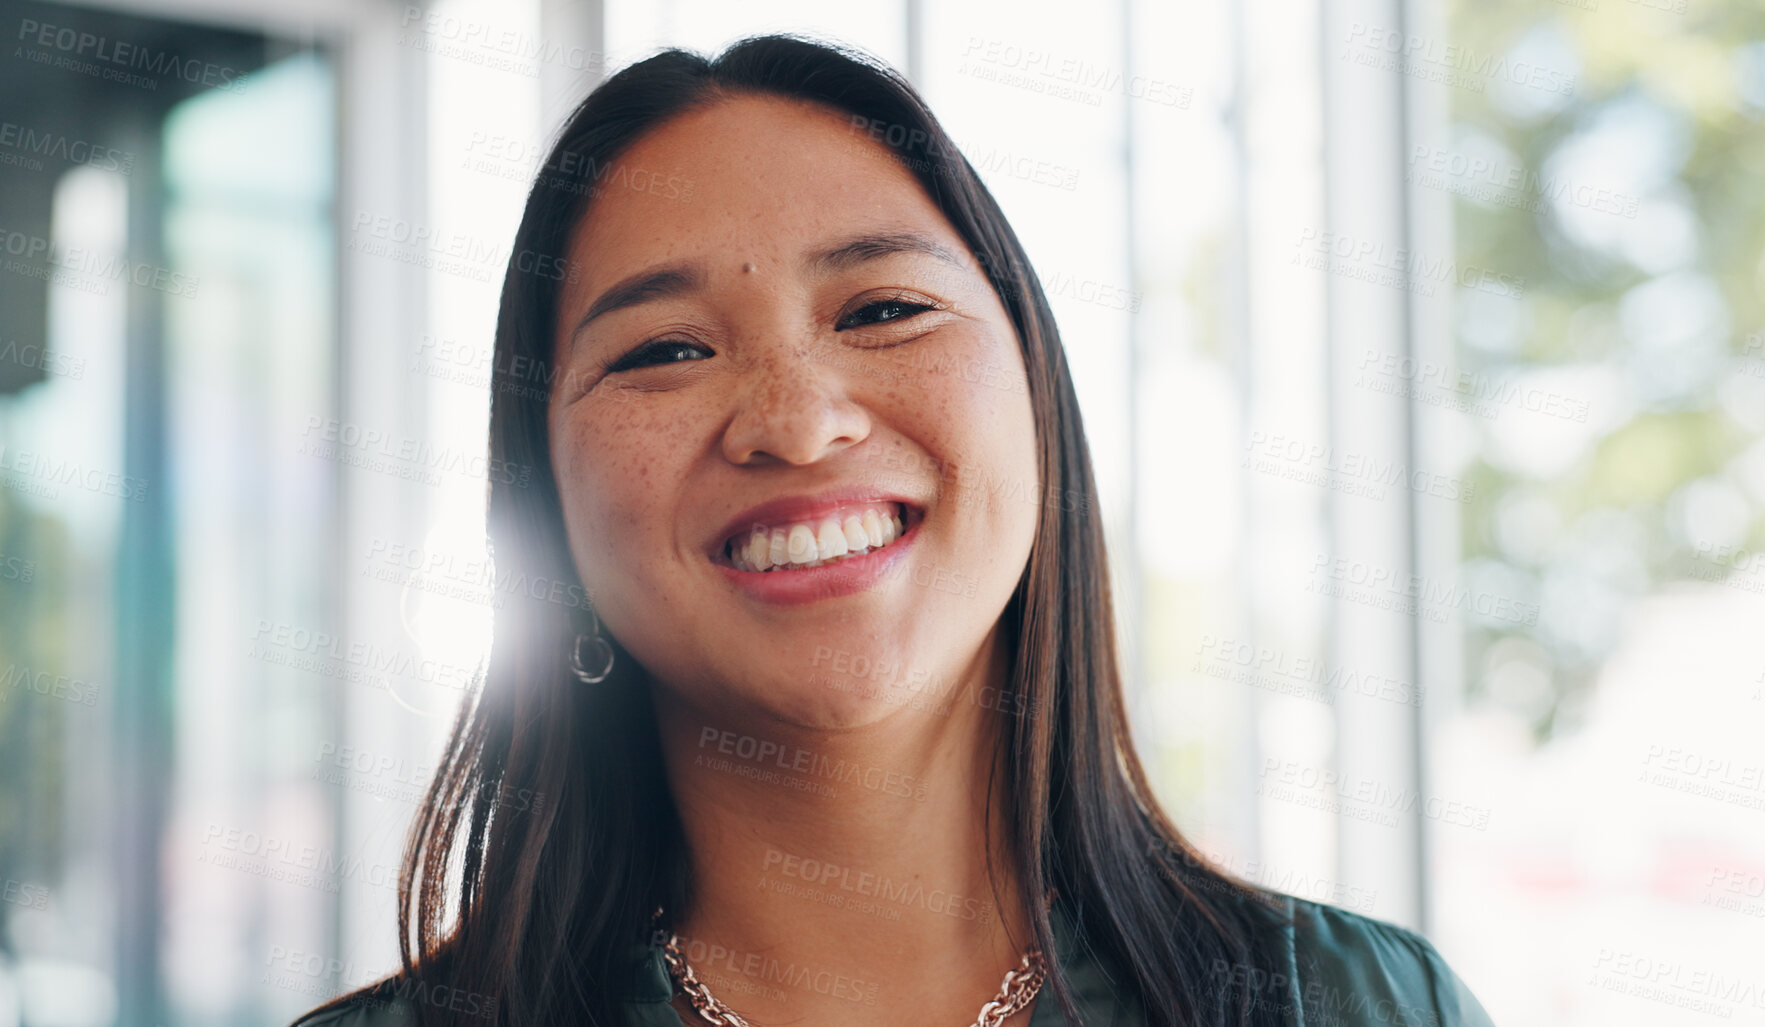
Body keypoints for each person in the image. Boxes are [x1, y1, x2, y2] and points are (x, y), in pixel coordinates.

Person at [293, 33, 1496, 1027]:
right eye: (665, 349)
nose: (797, 422)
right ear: (542, 498)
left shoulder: (1352, 1004)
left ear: (1034, 394)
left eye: (882, 308)